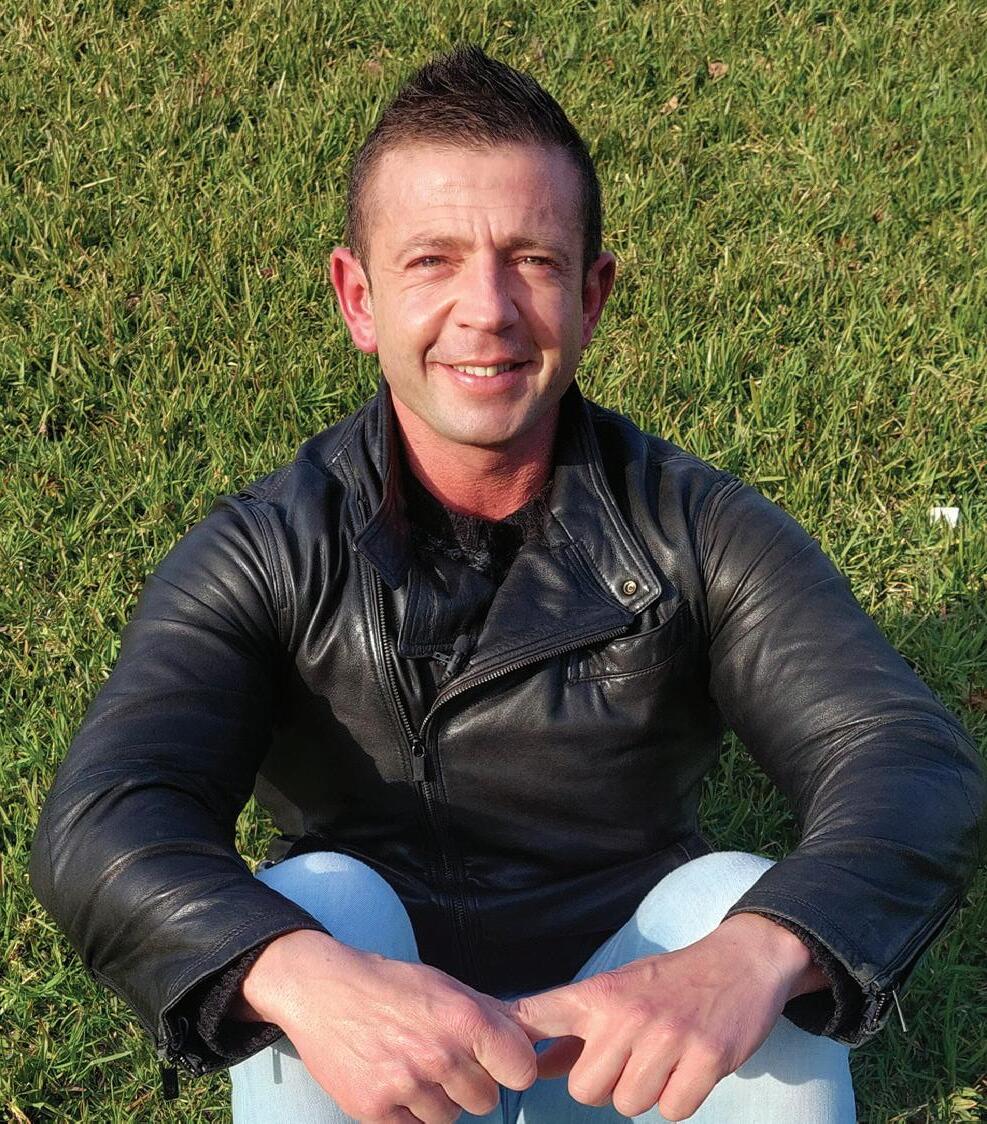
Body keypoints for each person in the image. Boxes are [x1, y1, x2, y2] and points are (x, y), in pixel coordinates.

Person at [31, 45, 984, 1124]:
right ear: (358, 296)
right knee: (305, 903)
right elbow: (107, 812)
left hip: (627, 1031)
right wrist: (300, 974)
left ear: (591, 295)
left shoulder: (699, 527)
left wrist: (755, 952)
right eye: (431, 260)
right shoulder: (266, 548)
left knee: (742, 903)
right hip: (379, 1036)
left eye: (529, 259)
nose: (485, 308)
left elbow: (905, 759)